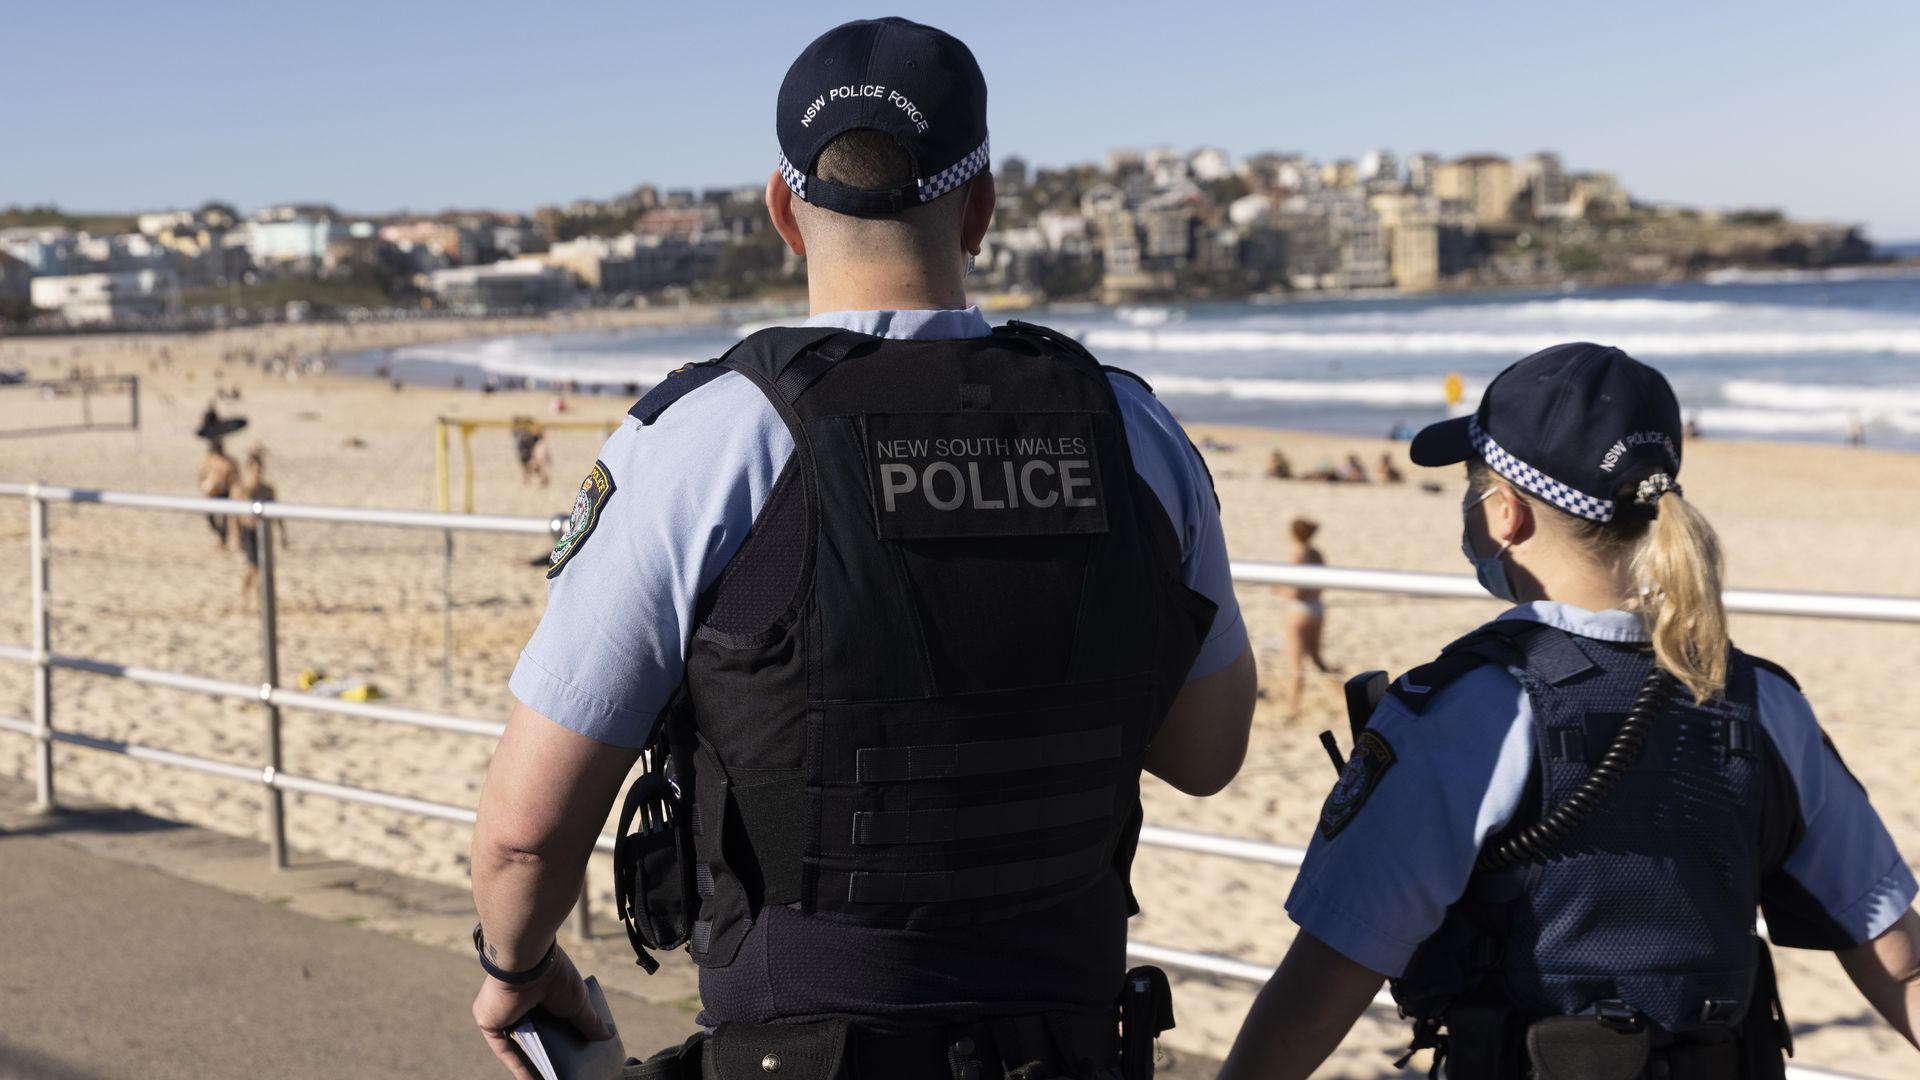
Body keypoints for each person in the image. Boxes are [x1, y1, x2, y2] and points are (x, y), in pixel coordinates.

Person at [467, 19, 1257, 1080]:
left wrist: (513, 970)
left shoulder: (708, 441)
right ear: (981, 208)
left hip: (802, 1053)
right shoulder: (1133, 432)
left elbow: (525, 834)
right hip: (1072, 1050)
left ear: (784, 211)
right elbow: (1207, 756)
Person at [1219, 343, 1920, 1079]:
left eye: (1473, 483)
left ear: (1505, 513)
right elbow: (1900, 967)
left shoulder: (1464, 712)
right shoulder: (1762, 700)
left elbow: (1321, 988)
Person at [1282, 518, 1333, 716]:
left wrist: (1279, 589)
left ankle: (1292, 708)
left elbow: (1294, 590)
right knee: (1318, 659)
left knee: (1296, 665)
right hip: (1317, 608)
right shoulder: (1317, 553)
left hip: (1299, 611)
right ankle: (1341, 695)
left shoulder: (1298, 554)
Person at [231, 447, 281, 603]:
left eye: (259, 469)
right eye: (254, 468)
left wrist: (283, 533)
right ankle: (245, 597)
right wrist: (235, 535)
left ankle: (260, 599)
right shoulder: (241, 488)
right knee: (253, 567)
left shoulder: (267, 489)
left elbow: (277, 511)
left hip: (265, 531)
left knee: (264, 566)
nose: (257, 472)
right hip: (248, 530)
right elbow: (232, 515)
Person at [195, 407, 243, 551]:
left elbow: (235, 476)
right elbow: (202, 475)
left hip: (224, 491)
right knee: (211, 518)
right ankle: (221, 538)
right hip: (213, 492)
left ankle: (223, 540)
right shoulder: (210, 460)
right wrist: (204, 485)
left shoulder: (227, 461)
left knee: (226, 519)